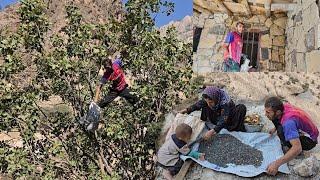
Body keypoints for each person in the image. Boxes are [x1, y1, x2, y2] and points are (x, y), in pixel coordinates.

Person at [264, 97, 319, 176]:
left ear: (278, 112)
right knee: (274, 119)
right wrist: (274, 128)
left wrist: (276, 164)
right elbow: (278, 119)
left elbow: (297, 148)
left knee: (281, 132)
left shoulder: (288, 123)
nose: (265, 114)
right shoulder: (283, 106)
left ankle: (292, 148)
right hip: (309, 131)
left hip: (310, 141)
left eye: (268, 112)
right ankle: (294, 135)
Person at [180, 86, 247, 140]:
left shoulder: (226, 102)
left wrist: (213, 131)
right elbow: (198, 105)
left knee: (241, 107)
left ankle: (230, 128)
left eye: (211, 102)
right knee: (204, 105)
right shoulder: (209, 97)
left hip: (229, 118)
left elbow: (224, 118)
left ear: (216, 98)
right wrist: (186, 110)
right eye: (208, 102)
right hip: (217, 116)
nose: (209, 104)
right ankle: (205, 124)